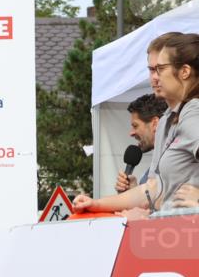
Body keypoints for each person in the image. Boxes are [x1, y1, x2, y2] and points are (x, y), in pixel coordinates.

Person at [75, 33, 199, 216]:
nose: (156, 77)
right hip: (175, 234)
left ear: (185, 72)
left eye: (161, 68)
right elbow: (152, 189)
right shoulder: (167, 119)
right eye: (152, 70)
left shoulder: (193, 110)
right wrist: (97, 204)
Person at [115, 93, 168, 192]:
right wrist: (134, 191)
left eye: (135, 126)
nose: (131, 133)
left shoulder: (174, 160)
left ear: (155, 123)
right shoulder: (155, 163)